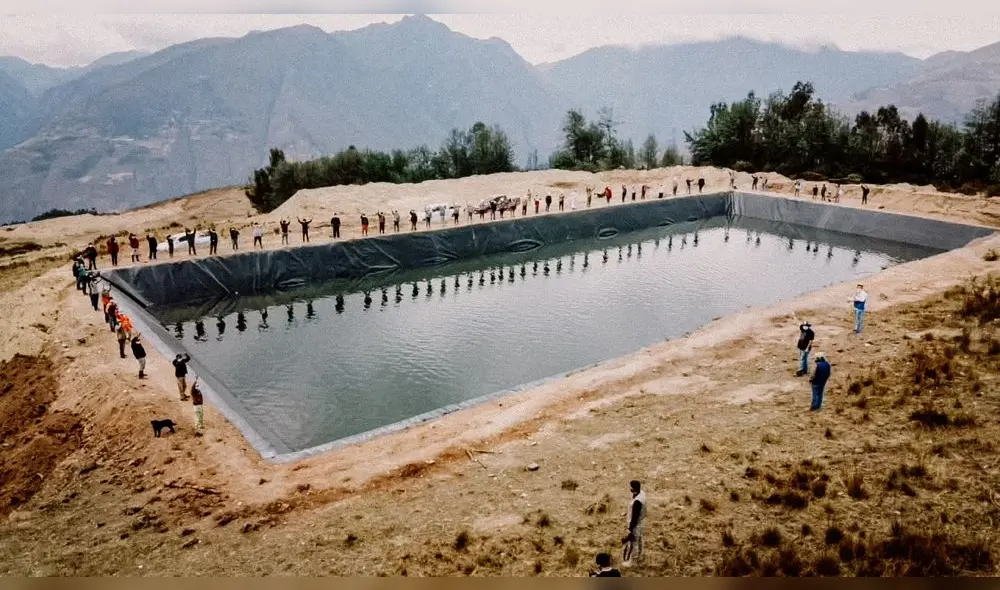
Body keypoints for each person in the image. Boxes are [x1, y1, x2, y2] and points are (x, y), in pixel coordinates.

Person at [623, 480, 646, 566]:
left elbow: (635, 517)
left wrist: (630, 528)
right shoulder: (642, 494)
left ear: (634, 489)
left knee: (634, 542)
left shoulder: (637, 502)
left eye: (631, 487)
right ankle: (640, 556)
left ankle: (633, 561)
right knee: (640, 540)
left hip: (636, 524)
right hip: (641, 521)